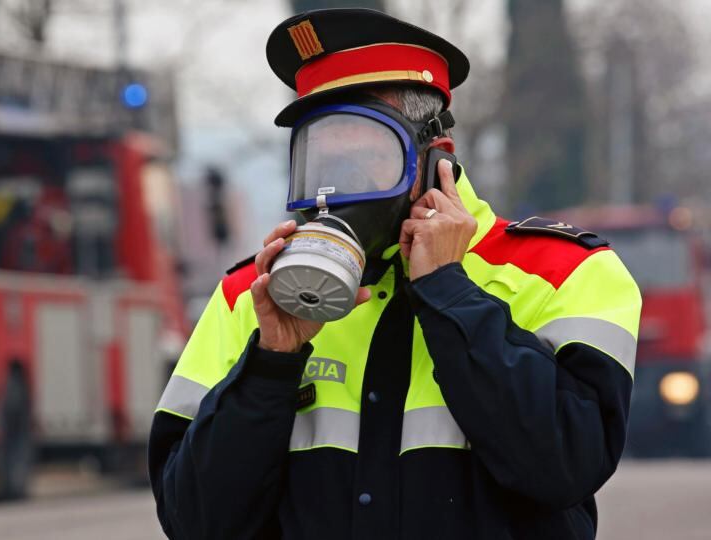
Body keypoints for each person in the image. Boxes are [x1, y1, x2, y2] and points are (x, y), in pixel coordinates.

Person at [149, 8, 641, 540]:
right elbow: (193, 523)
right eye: (320, 167)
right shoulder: (249, 297)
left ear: (435, 163)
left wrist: (448, 292)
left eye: (364, 164)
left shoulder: (567, 273)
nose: (334, 194)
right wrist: (271, 364)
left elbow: (564, 466)